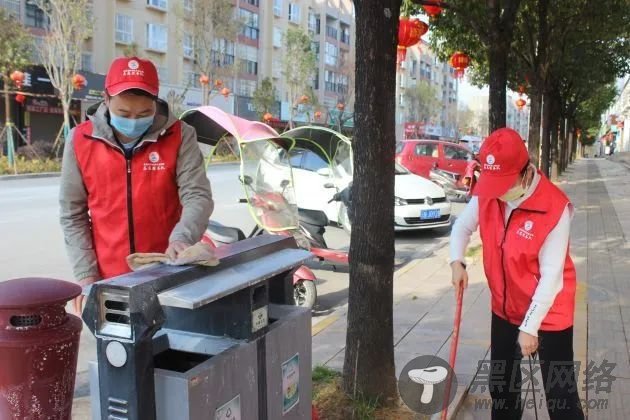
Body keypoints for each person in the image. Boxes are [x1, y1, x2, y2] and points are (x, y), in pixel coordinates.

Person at [60, 57, 213, 313]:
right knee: (118, 351)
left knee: (173, 348)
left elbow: (197, 195)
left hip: (168, 272)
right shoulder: (80, 140)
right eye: (123, 113)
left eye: (144, 114)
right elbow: (72, 214)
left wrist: (182, 238)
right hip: (109, 280)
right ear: (106, 100)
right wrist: (86, 275)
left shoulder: (180, 135)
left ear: (155, 102)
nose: (133, 121)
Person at [450, 128, 584, 419]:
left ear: (525, 172)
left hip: (550, 312)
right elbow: (461, 226)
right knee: (502, 386)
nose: (497, 193)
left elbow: (552, 277)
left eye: (504, 184)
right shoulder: (488, 193)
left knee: (560, 394)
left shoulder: (554, 207)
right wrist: (456, 261)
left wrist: (530, 327)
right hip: (505, 306)